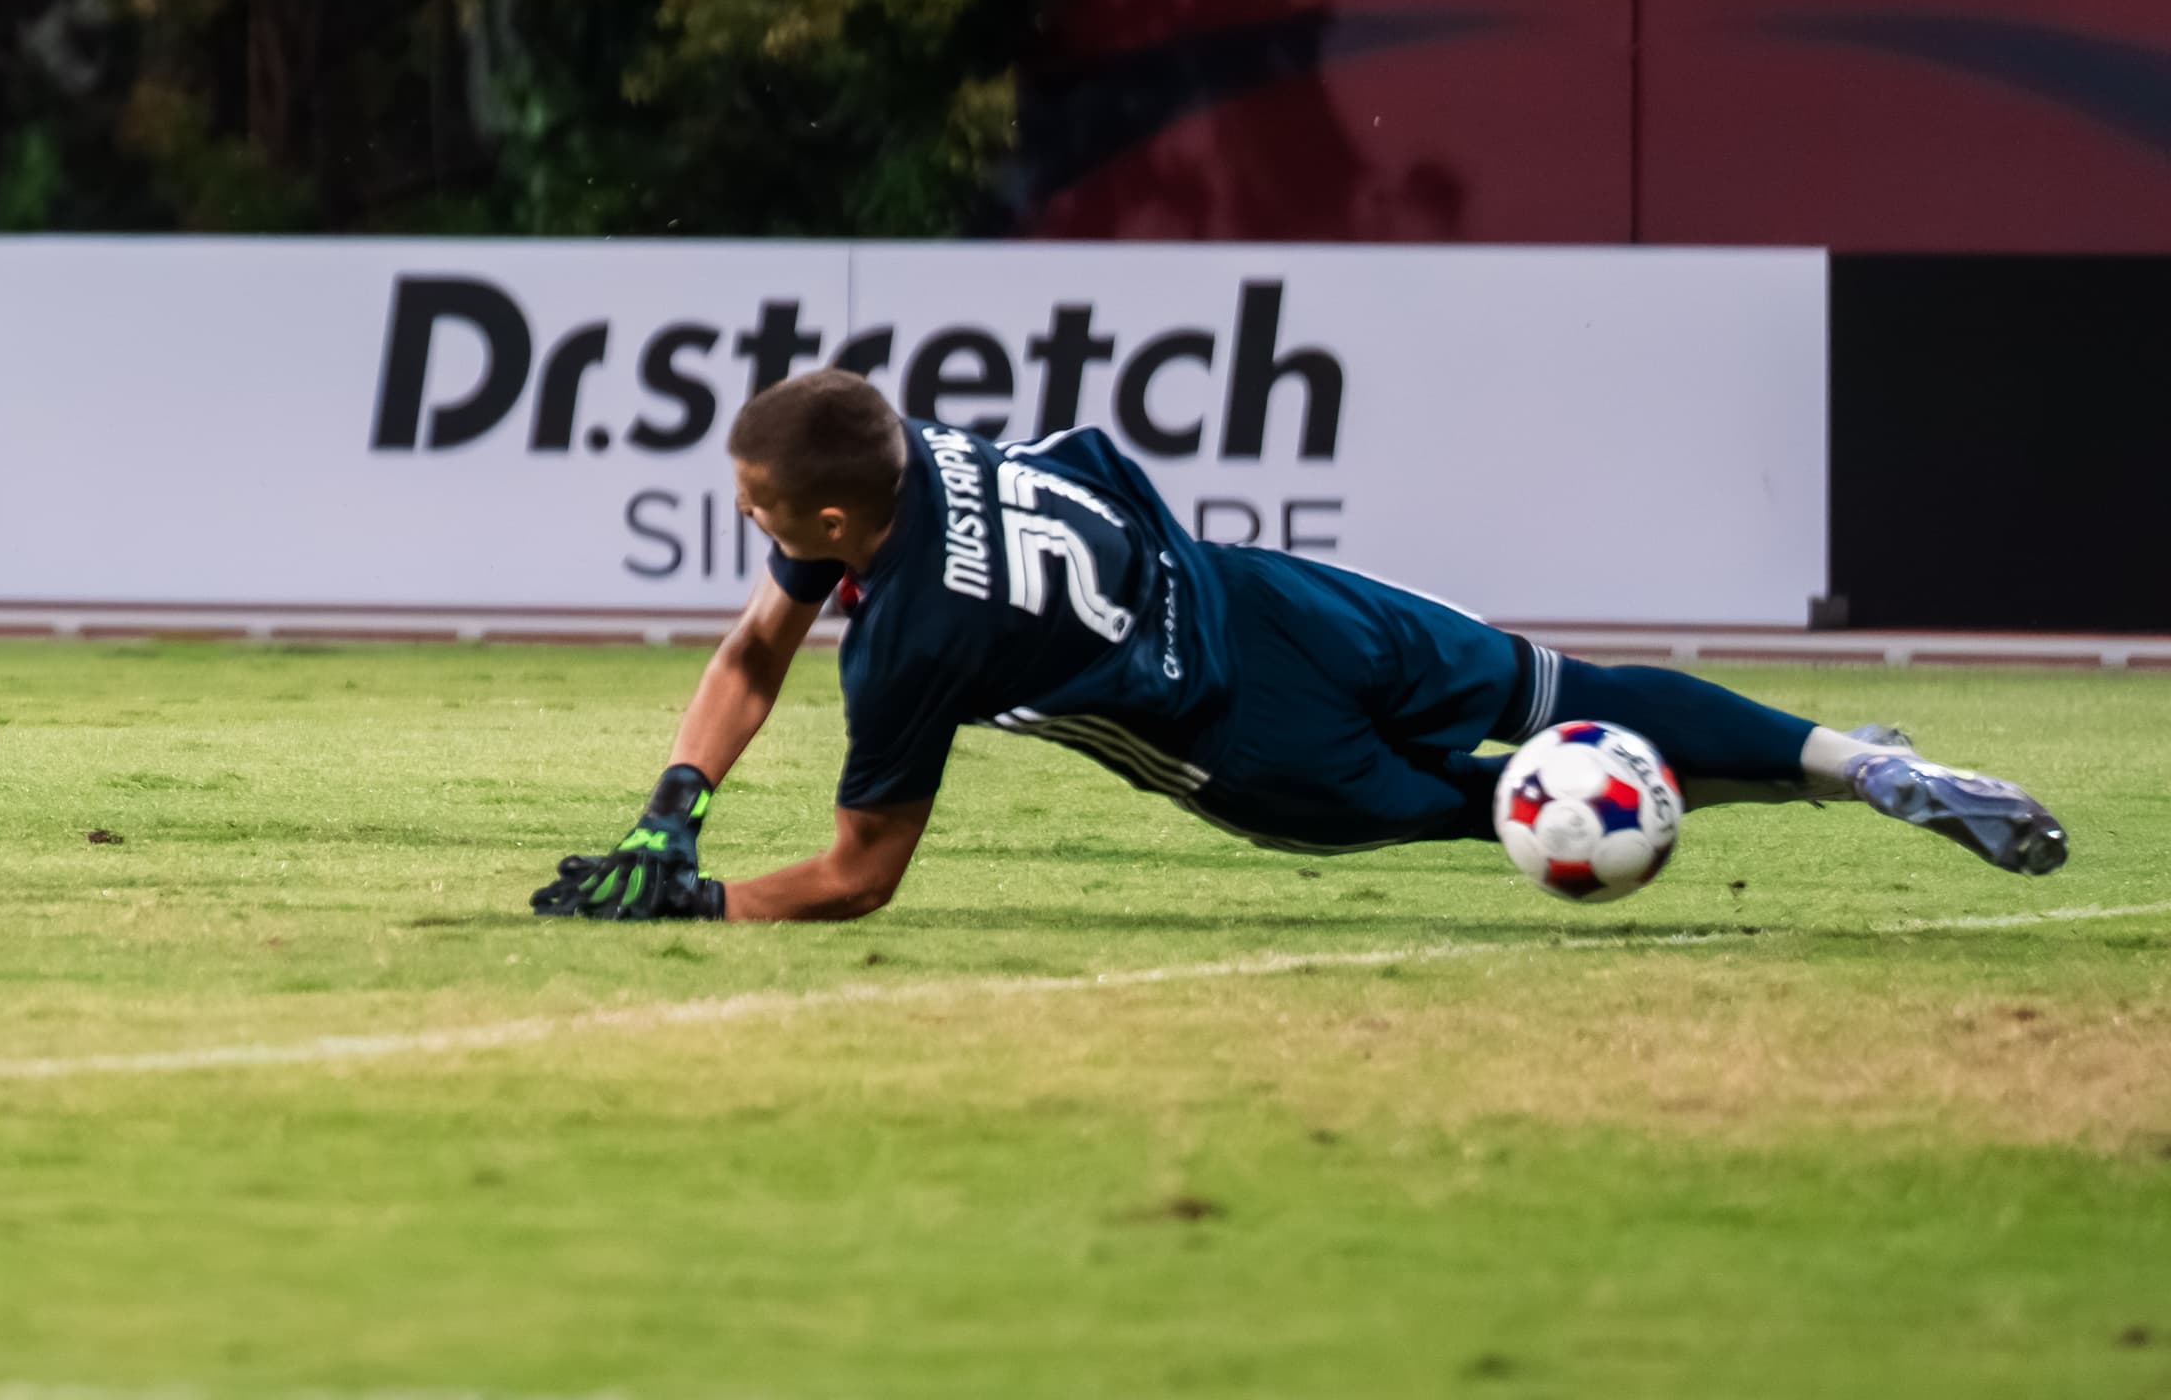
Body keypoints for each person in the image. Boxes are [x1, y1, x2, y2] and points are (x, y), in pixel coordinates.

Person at [533, 368, 2068, 921]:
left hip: (1244, 742)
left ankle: (1765, 792)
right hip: (1284, 599)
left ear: (821, 515)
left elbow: (863, 877)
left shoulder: (914, 638)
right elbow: (753, 648)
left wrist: (699, 902)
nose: (747, 522)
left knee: (1512, 799)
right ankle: (1856, 765)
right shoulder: (912, 452)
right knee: (1565, 690)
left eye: (755, 505)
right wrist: (676, 795)